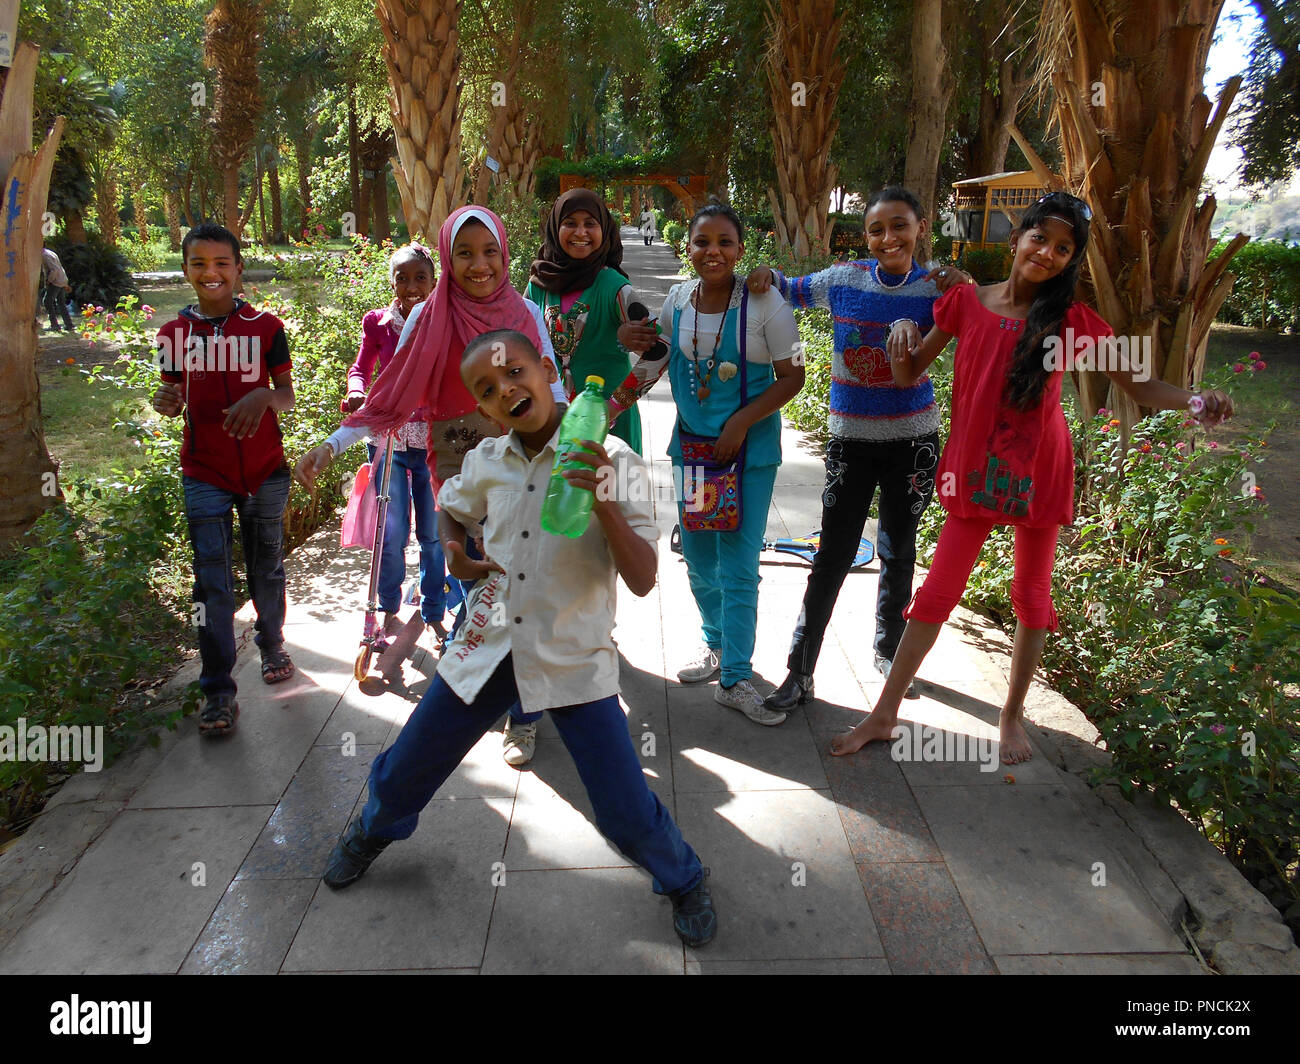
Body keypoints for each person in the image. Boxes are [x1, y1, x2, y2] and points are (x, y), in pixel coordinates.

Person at [320, 329, 717, 948]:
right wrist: (454, 549)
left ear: (546, 370)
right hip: (488, 643)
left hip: (571, 653)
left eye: (514, 373)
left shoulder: (616, 458)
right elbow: (451, 507)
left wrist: (603, 497)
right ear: (482, 410)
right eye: (487, 390)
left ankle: (683, 877)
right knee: (410, 764)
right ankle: (372, 829)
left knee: (620, 805)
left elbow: (642, 578)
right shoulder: (487, 462)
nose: (505, 390)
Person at [829, 191, 1235, 762]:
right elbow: (909, 374)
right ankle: (884, 713)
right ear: (1018, 239)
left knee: (1031, 597)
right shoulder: (966, 303)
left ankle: (1012, 715)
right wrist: (899, 344)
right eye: (1039, 238)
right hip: (975, 475)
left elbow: (1139, 384)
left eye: (1063, 248)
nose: (1047, 253)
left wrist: (1195, 400)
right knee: (937, 592)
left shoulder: (1070, 321)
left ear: (1070, 261)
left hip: (1039, 474)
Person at [294, 205, 567, 768]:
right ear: (446, 256)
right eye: (464, 253)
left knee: (525, 593)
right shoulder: (429, 316)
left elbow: (555, 392)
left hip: (522, 471)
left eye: (489, 251)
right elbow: (389, 394)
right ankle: (500, 689)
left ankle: (525, 715)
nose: (479, 265)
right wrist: (331, 445)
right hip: (460, 474)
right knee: (479, 589)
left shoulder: (525, 313)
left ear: (505, 254)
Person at [746, 187, 970, 712]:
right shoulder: (843, 280)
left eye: (899, 226)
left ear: (920, 227)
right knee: (833, 553)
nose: (888, 238)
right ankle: (799, 671)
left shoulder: (938, 288)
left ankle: (889, 650)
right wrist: (763, 274)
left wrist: (964, 282)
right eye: (876, 229)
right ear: (865, 235)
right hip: (851, 440)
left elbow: (985, 311)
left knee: (898, 549)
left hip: (913, 440)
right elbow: (788, 287)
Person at [621, 203, 805, 725]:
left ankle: (737, 678)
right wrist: (612, 402)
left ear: (741, 250)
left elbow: (794, 375)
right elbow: (658, 356)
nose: (713, 251)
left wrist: (743, 420)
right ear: (688, 248)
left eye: (725, 241)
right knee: (700, 555)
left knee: (741, 563)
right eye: (703, 242)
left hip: (747, 457)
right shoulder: (678, 299)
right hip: (698, 456)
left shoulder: (765, 303)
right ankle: (716, 643)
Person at [151, 222, 296, 736]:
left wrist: (262, 397)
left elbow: (286, 395)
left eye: (221, 264)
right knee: (210, 580)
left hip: (265, 470)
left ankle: (271, 643)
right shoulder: (173, 335)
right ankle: (217, 691)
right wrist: (165, 402)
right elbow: (169, 396)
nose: (210, 273)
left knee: (266, 566)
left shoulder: (265, 327)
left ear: (238, 268)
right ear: (186, 269)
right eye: (198, 264)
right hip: (204, 472)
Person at [343, 243, 452, 644]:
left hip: (431, 441)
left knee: (433, 531)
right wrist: (357, 391)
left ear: (433, 281)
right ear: (391, 281)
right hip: (386, 439)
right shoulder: (377, 323)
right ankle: (387, 608)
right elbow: (360, 369)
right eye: (402, 278)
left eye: (420, 278)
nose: (411, 286)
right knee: (390, 529)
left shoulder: (443, 321)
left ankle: (435, 610)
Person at [525, 188, 653, 455]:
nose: (580, 233)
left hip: (611, 429)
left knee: (612, 496)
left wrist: (616, 404)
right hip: (552, 423)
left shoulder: (615, 288)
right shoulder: (539, 286)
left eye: (590, 224)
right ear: (554, 228)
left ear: (603, 230)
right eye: (570, 223)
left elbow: (660, 350)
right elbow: (517, 343)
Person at [41, 246, 74, 332]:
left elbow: (54, 270)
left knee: (47, 302)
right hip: (61, 279)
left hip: (56, 281)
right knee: (61, 303)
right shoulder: (49, 252)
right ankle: (69, 324)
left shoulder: (44, 255)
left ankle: (54, 325)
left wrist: (49, 280)